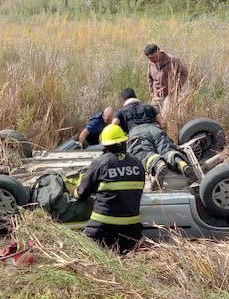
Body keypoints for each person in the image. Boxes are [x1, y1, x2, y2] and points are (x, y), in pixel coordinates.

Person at [72, 124, 145, 254]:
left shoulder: (101, 162)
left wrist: (74, 191)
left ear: (105, 145)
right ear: (124, 141)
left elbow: (82, 192)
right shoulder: (137, 163)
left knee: (84, 252)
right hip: (132, 230)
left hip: (102, 226)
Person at [112, 88, 196, 184]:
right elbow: (163, 123)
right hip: (155, 129)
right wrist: (163, 135)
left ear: (122, 100)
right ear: (135, 96)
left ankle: (158, 164)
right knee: (167, 149)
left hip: (136, 133)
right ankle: (181, 163)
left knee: (144, 153)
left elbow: (113, 127)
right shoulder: (149, 107)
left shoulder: (120, 111)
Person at [144, 42, 188, 122]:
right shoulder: (151, 62)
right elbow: (149, 78)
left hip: (169, 94)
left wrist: (176, 88)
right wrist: (151, 92)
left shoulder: (172, 60)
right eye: (149, 58)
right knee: (152, 117)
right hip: (156, 94)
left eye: (153, 57)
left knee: (164, 118)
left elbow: (184, 73)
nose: (151, 60)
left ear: (158, 52)